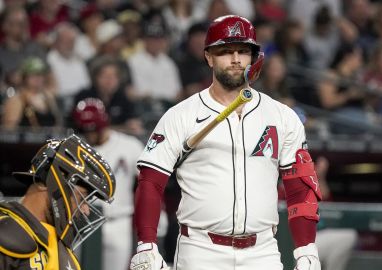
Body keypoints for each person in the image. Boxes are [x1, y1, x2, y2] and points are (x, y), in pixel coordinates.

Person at [129, 15, 322, 270]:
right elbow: (151, 182)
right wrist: (147, 243)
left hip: (262, 251)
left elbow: (299, 187)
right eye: (225, 51)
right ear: (208, 56)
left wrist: (306, 248)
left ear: (253, 57)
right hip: (200, 250)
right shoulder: (181, 115)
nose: (235, 59)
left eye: (243, 51)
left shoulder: (282, 116)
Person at [0, 134, 116, 269]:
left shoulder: (64, 251)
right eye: (82, 197)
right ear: (48, 182)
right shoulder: (6, 236)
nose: (86, 210)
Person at [71, 98, 144, 270]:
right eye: (85, 130)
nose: (89, 133)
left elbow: (147, 181)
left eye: (93, 129)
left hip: (118, 221)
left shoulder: (130, 145)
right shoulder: (76, 148)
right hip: (84, 222)